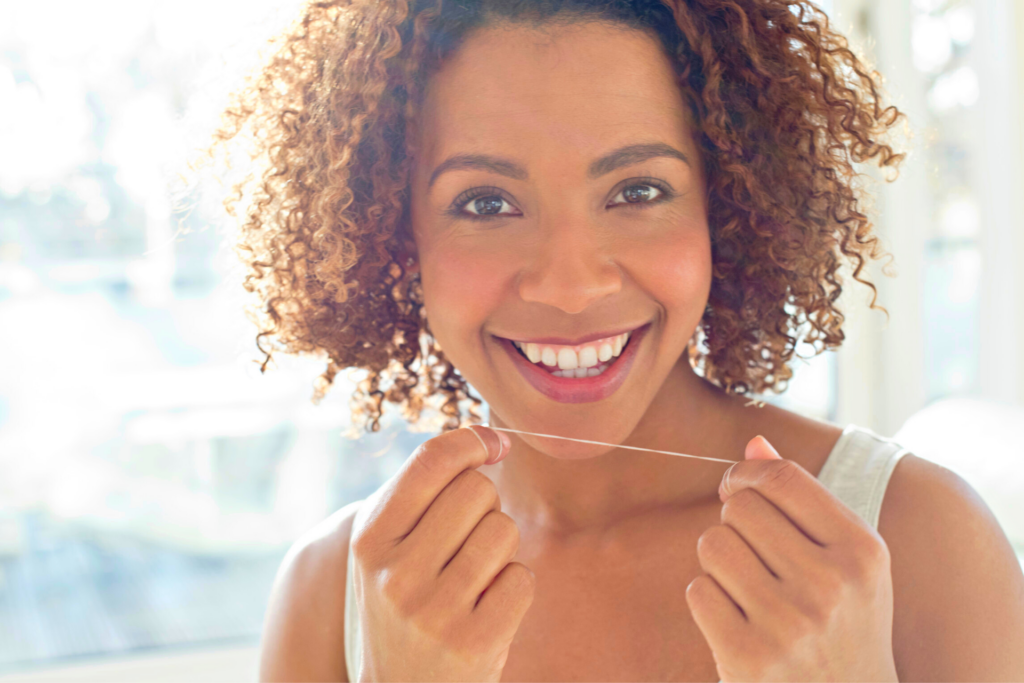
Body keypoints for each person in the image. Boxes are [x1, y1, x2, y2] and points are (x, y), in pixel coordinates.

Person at [209, 0, 1024, 680]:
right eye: (486, 203)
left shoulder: (914, 540)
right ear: (393, 232)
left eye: (637, 190)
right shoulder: (335, 592)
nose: (569, 284)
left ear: (728, 208)